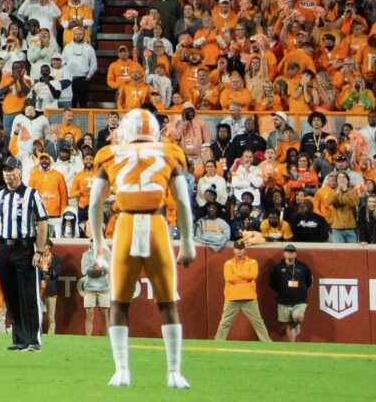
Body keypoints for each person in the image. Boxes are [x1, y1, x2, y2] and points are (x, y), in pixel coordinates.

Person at [89, 108, 195, 389]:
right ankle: (174, 372)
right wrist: (187, 241)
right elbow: (183, 202)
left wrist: (99, 244)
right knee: (167, 302)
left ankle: (121, 370)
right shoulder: (169, 153)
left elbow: (94, 204)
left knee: (119, 302)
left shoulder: (110, 155)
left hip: (125, 225)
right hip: (157, 226)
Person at [0, 163, 47, 350]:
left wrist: (39, 250)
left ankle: (34, 340)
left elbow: (43, 222)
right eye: (5, 170)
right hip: (4, 248)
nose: (8, 174)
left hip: (25, 247)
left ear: (20, 171)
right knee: (11, 296)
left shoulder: (32, 194)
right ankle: (19, 339)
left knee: (29, 295)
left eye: (12, 170)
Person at [214, 239, 269, 342]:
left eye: (241, 248)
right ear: (233, 250)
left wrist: (237, 273)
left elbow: (253, 275)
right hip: (232, 298)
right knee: (225, 322)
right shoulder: (228, 263)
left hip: (249, 298)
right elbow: (229, 278)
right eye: (237, 248)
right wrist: (245, 277)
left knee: (258, 322)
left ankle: (268, 343)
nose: (239, 250)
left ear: (245, 250)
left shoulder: (252, 262)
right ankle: (218, 342)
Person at [268, 244, 312, 341]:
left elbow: (309, 282)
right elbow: (272, 283)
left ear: (295, 254)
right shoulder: (278, 268)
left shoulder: (303, 267)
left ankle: (297, 324)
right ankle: (292, 346)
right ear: (284, 253)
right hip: (284, 300)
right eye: (287, 251)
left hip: (300, 300)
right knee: (289, 325)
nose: (289, 253)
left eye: (292, 252)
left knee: (297, 317)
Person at [78, 241, 113, 336]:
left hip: (104, 289)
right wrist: (94, 268)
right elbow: (84, 270)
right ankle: (88, 339)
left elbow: (110, 268)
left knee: (105, 315)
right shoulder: (86, 254)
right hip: (89, 289)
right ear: (91, 243)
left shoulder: (106, 254)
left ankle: (106, 339)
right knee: (89, 315)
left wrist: (102, 268)